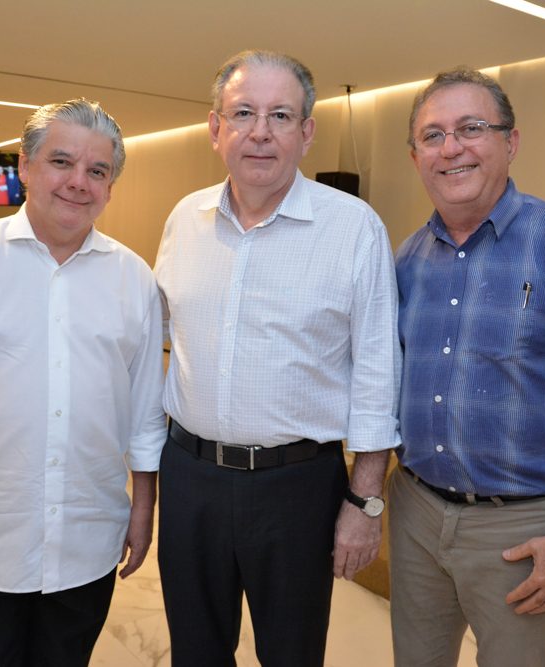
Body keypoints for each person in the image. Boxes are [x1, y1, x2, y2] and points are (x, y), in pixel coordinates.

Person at [154, 50, 401, 667]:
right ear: (216, 129)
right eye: (243, 113)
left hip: (299, 487)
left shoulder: (353, 229)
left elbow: (378, 373)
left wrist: (365, 502)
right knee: (195, 650)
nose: (260, 131)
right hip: (190, 477)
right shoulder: (185, 219)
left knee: (291, 654)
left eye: (280, 115)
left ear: (306, 132)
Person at [0, 98, 167, 667]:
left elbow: (145, 411)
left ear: (110, 186)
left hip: (87, 542)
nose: (79, 182)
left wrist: (143, 506)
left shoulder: (135, 279)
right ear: (25, 166)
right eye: (61, 162)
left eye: (97, 171)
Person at [389, 67, 545, 667]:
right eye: (432, 136)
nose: (451, 147)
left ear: (510, 143)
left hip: (521, 530)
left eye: (471, 128)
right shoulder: (404, 262)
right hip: (414, 513)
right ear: (416, 158)